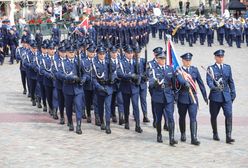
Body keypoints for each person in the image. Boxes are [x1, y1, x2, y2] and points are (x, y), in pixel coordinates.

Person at [176, 52, 208, 145]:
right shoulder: (179, 70)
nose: (188, 62)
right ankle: (183, 133)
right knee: (182, 117)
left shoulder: (194, 70)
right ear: (183, 61)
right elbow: (179, 80)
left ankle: (194, 137)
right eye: (186, 60)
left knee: (193, 117)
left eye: (189, 60)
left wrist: (205, 96)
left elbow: (200, 83)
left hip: (193, 98)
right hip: (182, 98)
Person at [206, 49, 236, 144]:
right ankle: (215, 133)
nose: (221, 58)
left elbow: (230, 81)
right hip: (215, 96)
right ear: (215, 57)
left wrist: (233, 91)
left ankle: (228, 136)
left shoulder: (228, 67)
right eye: (219, 56)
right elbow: (209, 81)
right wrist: (214, 87)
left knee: (229, 114)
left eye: (222, 56)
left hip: (226, 96)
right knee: (214, 115)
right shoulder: (211, 68)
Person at [148, 50, 177, 145]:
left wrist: (174, 94)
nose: (163, 60)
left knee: (170, 117)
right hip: (158, 96)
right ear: (157, 59)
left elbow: (174, 83)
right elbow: (151, 83)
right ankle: (159, 134)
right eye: (161, 58)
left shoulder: (170, 69)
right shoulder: (153, 70)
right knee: (159, 118)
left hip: (168, 96)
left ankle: (171, 138)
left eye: (164, 58)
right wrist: (155, 84)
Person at [117, 45, 143, 133]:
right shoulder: (121, 62)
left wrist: (138, 79)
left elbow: (139, 72)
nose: (130, 55)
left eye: (131, 53)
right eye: (129, 53)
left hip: (134, 87)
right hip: (125, 87)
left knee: (136, 106)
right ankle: (127, 121)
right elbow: (119, 73)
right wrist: (130, 76)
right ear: (125, 53)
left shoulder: (136, 62)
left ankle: (138, 125)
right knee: (126, 106)